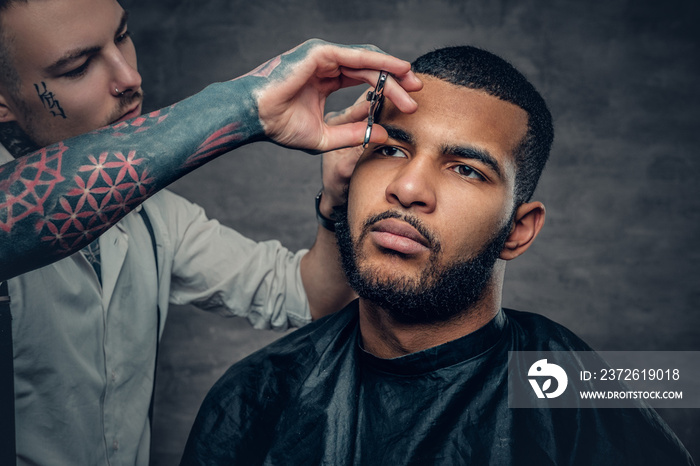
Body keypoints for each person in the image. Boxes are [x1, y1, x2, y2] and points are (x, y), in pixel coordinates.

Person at [180, 46, 694, 465]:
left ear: (518, 230)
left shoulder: (572, 382)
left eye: (466, 168)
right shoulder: (256, 396)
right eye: (390, 149)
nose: (407, 188)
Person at [0, 0, 423, 463]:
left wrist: (336, 204)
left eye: (122, 36)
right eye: (79, 66)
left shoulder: (155, 216)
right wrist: (243, 106)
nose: (129, 78)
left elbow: (307, 294)